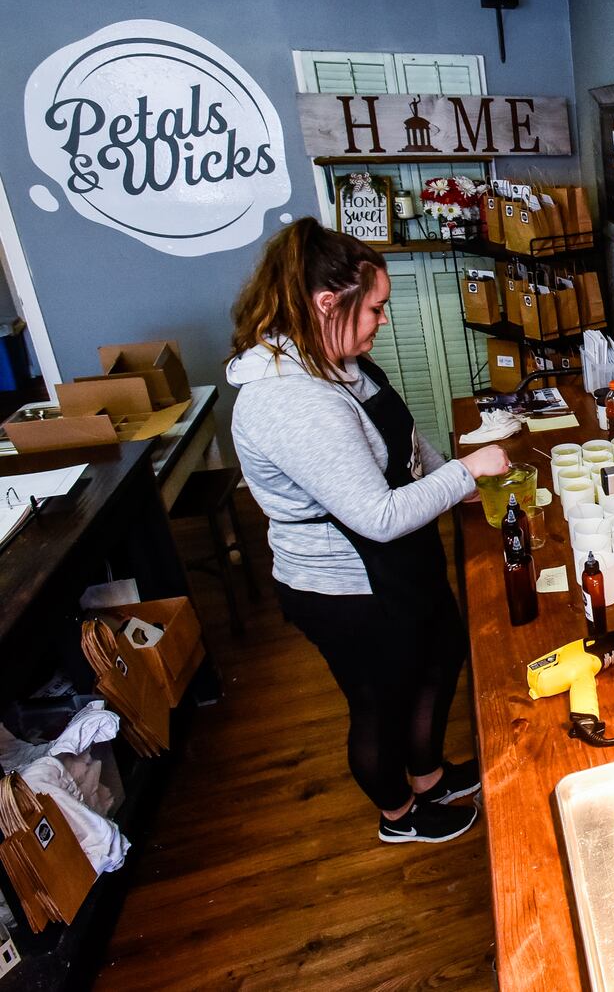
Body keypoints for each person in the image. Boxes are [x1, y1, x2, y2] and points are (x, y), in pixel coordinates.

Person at [226, 218, 511, 844]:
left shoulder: (340, 361)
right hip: (346, 584)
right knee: (382, 699)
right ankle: (398, 816)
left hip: (399, 564)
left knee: (438, 657)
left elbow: (404, 446)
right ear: (328, 303)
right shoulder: (288, 400)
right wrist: (466, 473)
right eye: (376, 308)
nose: (384, 320)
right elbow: (377, 516)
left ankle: (429, 777)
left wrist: (457, 473)